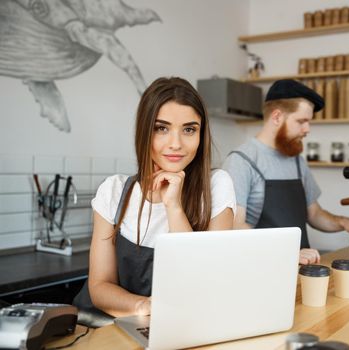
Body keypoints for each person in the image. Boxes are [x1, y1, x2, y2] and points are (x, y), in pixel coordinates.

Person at [73, 77, 236, 321]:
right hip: (100, 328)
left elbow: (202, 284)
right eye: (161, 128)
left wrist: (174, 206)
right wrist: (146, 307)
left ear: (201, 135)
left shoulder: (216, 186)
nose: (176, 144)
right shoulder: (114, 192)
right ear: (144, 131)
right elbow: (99, 287)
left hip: (176, 325)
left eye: (189, 129)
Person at [222, 79, 349, 266]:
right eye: (301, 121)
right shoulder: (241, 161)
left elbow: (314, 214)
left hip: (303, 267)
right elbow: (234, 226)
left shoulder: (296, 160)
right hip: (263, 267)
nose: (307, 129)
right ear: (277, 116)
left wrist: (344, 222)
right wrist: (285, 252)